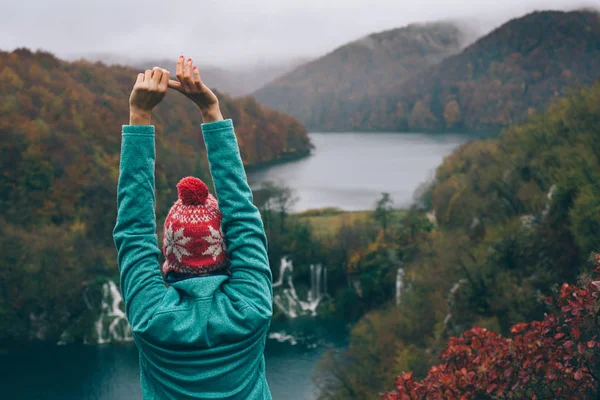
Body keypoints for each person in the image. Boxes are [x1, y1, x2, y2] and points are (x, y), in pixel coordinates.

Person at [112, 55, 273, 399]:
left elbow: (133, 230)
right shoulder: (252, 307)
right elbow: (243, 216)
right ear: (226, 248)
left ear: (170, 252)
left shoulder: (151, 318)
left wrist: (139, 117)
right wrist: (211, 111)